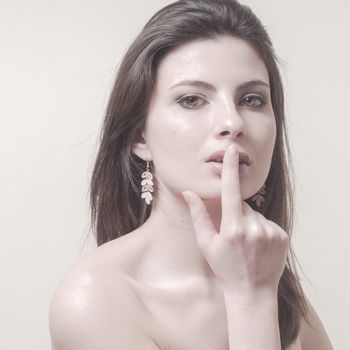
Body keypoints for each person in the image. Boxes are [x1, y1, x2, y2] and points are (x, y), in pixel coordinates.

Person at [49, 0, 334, 349]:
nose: (232, 122)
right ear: (139, 135)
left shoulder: (273, 279)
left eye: (253, 100)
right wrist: (252, 300)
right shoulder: (95, 300)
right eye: (192, 100)